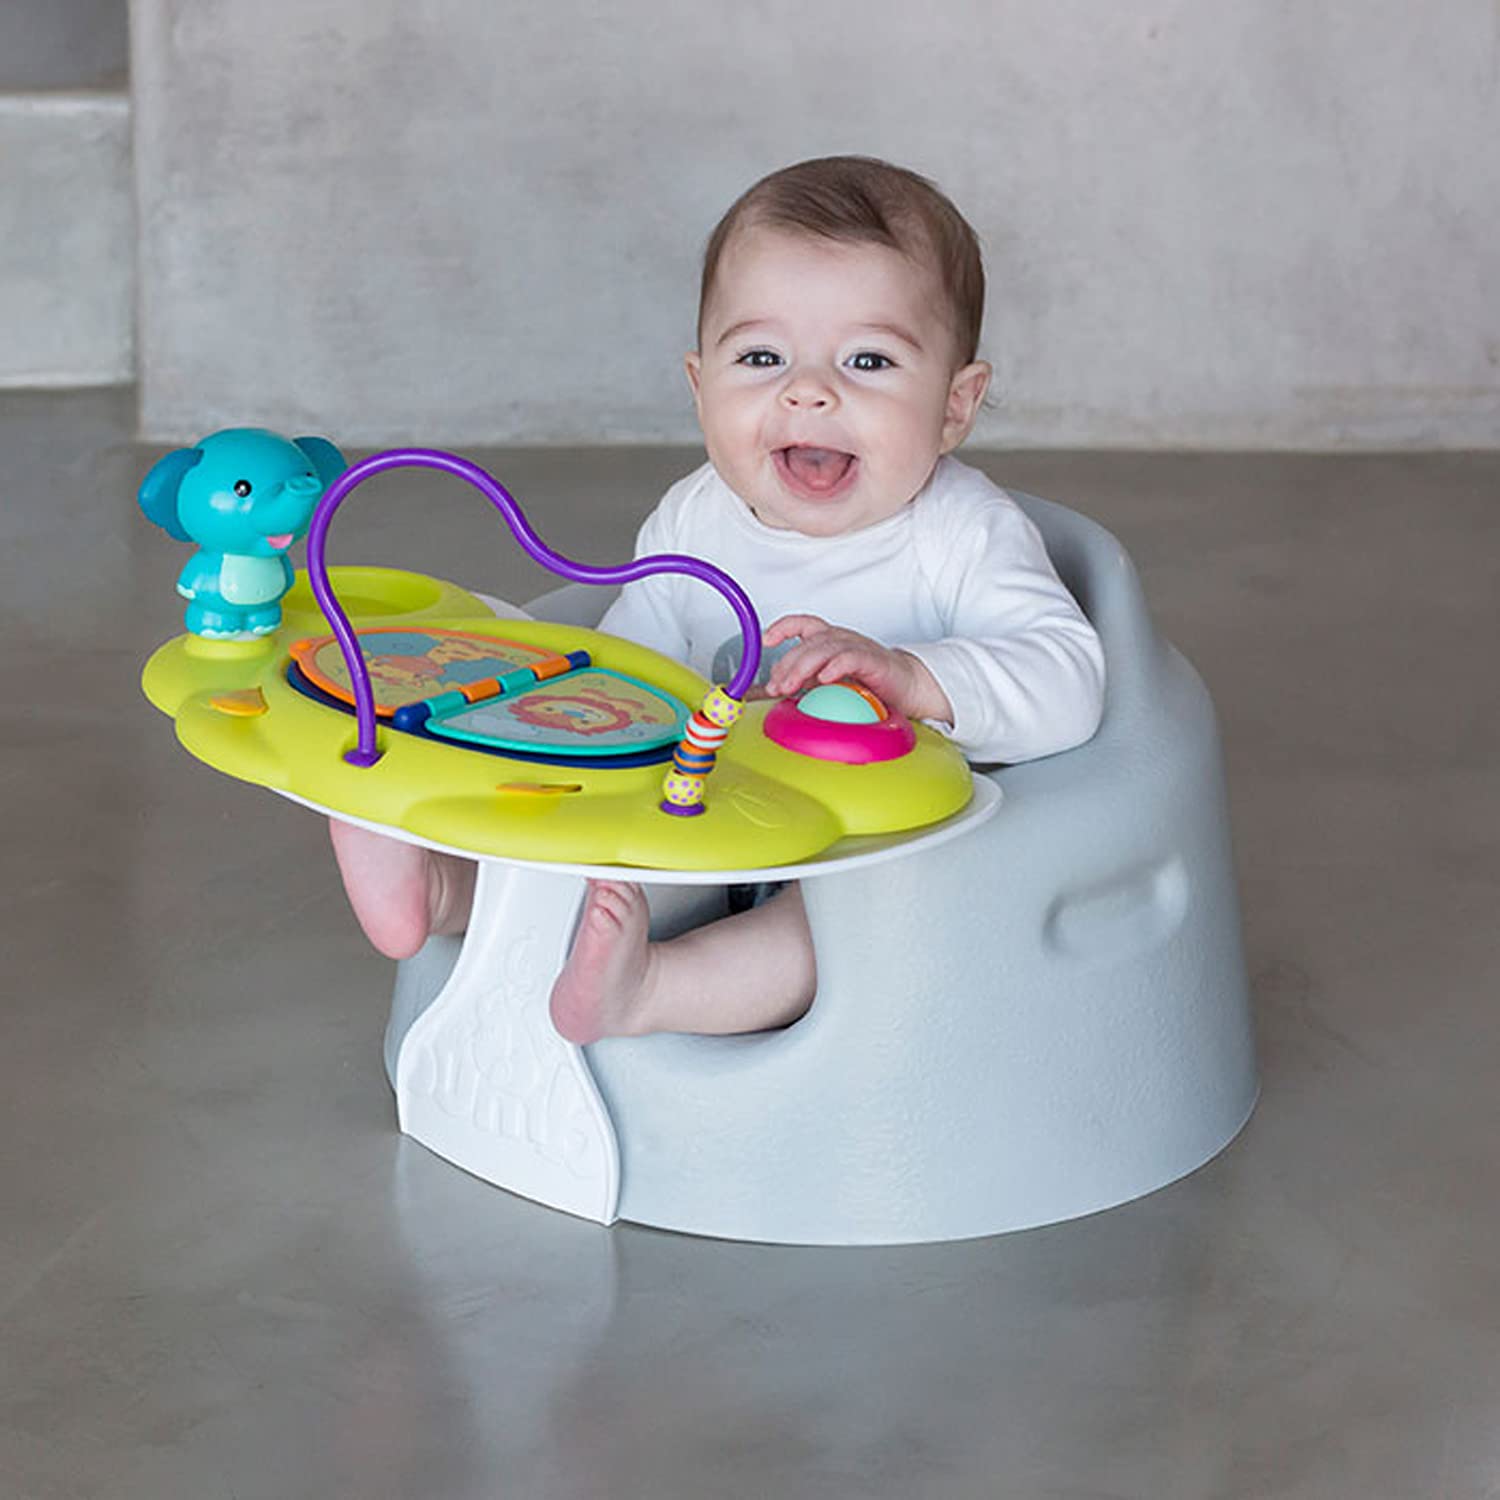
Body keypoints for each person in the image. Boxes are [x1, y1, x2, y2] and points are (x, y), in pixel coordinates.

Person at [330, 155, 1106, 1045]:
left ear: (955, 406)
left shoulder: (964, 534)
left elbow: (1069, 680)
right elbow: (636, 666)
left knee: (842, 930)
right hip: (713, 811)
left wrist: (915, 678)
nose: (808, 390)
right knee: (593, 840)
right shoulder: (696, 517)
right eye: (762, 357)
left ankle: (651, 991)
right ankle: (445, 891)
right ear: (701, 389)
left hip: (872, 846)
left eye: (869, 360)